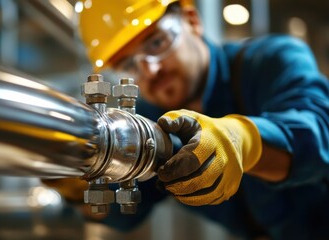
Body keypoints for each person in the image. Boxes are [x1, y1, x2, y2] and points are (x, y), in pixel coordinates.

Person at [54, 0, 329, 239]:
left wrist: (242, 139)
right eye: (128, 65)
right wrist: (79, 188)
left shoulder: (271, 60)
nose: (150, 70)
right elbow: (130, 211)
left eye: (157, 42)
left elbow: (318, 132)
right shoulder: (151, 122)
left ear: (192, 21)